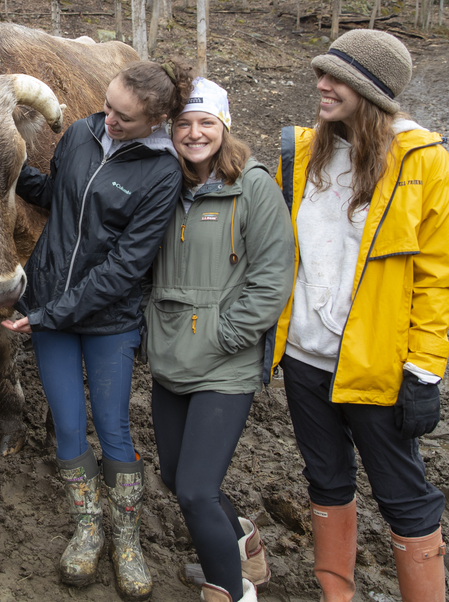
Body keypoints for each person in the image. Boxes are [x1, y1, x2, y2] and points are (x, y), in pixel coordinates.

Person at [272, 30, 449, 602]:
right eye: (321, 73)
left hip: (377, 368)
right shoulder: (302, 153)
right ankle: (339, 595)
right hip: (306, 359)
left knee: (403, 494)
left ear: (371, 89)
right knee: (326, 479)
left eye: (336, 78)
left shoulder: (426, 166)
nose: (321, 85)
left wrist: (425, 371)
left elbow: (439, 280)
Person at [3, 61, 185, 601]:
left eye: (122, 117)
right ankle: (88, 529)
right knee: (67, 424)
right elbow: (57, 196)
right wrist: (6, 167)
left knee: (113, 428)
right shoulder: (82, 132)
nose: (107, 119)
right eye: (107, 105)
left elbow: (126, 268)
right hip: (52, 312)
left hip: (107, 320)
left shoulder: (163, 172)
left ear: (156, 120)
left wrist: (46, 314)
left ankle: (126, 539)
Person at [143, 78, 295, 602]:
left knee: (196, 489)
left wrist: (227, 334)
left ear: (224, 127)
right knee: (172, 475)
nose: (194, 133)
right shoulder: (165, 182)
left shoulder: (253, 186)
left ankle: (230, 591)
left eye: (206, 122)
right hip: (169, 355)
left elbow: (274, 276)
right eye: (183, 123)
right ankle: (241, 542)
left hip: (224, 363)